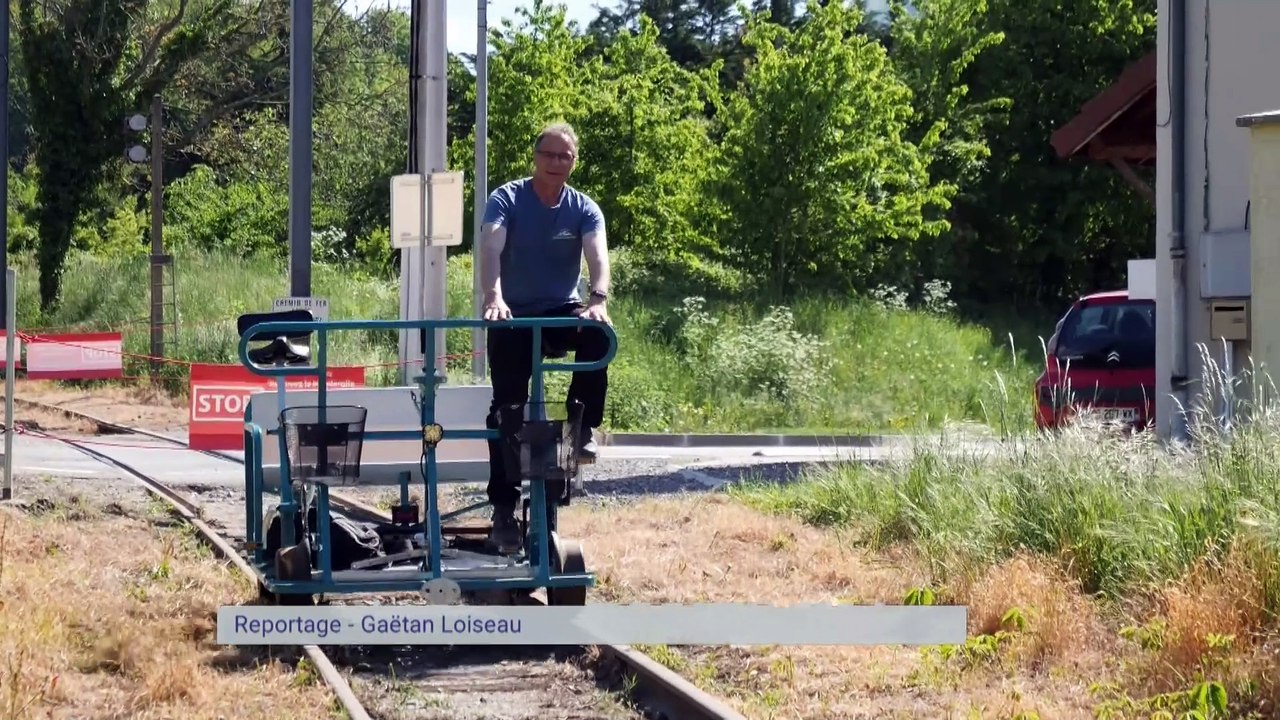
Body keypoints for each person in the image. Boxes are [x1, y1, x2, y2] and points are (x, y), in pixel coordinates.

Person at [478, 122, 613, 553]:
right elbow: (490, 246)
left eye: (564, 156)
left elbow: (598, 254)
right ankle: (503, 508)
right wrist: (493, 296)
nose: (556, 162)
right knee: (506, 411)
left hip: (559, 310)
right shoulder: (507, 198)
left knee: (598, 333)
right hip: (513, 313)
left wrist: (598, 300)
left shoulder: (583, 207)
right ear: (535, 158)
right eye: (548, 155)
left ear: (574, 162)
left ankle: (582, 425)